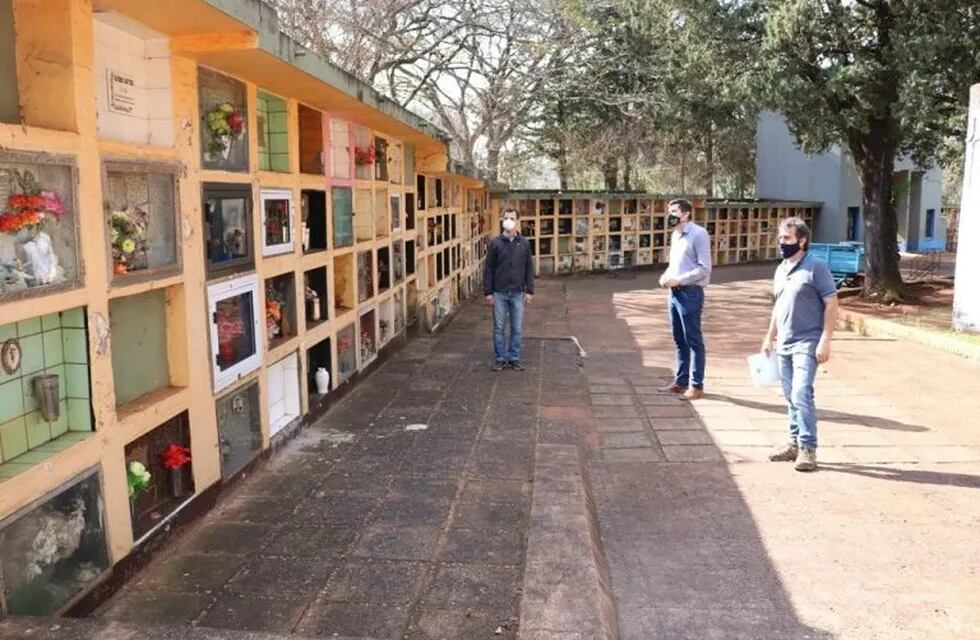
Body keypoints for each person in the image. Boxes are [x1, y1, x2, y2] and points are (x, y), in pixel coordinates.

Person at [761, 217, 839, 472]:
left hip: (807, 341)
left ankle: (808, 447)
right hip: (783, 342)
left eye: (787, 238)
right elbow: (778, 306)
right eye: (781, 238)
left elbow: (831, 303)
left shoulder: (816, 266)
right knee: (789, 395)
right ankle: (793, 442)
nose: (782, 242)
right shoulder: (781, 268)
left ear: (802, 240)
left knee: (800, 392)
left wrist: (825, 340)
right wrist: (768, 336)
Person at [658, 198, 712, 400]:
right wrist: (665, 277)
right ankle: (681, 381)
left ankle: (696, 386)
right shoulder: (676, 235)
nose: (670, 215)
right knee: (679, 340)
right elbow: (675, 265)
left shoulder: (699, 234)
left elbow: (704, 267)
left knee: (694, 340)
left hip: (690, 292)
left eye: (674, 211)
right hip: (674, 293)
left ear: (687, 213)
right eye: (669, 211)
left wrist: (679, 279)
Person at [484, 208, 534, 371]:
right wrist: (488, 292)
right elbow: (489, 268)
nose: (508, 221)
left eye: (512, 218)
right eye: (506, 218)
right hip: (499, 292)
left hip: (518, 292)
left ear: (518, 220)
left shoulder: (524, 243)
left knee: (517, 328)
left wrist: (530, 290)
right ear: (502, 220)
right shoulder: (495, 243)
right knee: (498, 328)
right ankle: (500, 358)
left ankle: (514, 357)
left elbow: (528, 268)